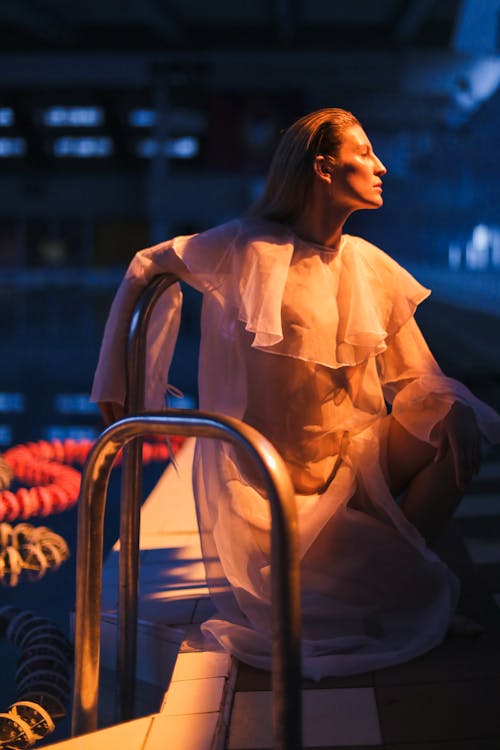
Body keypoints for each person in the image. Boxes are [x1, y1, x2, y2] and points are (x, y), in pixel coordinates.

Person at [92, 108, 500, 679]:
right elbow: (147, 265)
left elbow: (418, 376)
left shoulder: (367, 265)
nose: (381, 166)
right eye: (364, 153)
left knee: (454, 431)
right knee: (315, 618)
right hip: (271, 488)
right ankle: (400, 599)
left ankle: (403, 592)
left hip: (355, 471)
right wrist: (119, 380)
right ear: (324, 168)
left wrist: (451, 409)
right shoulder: (246, 248)